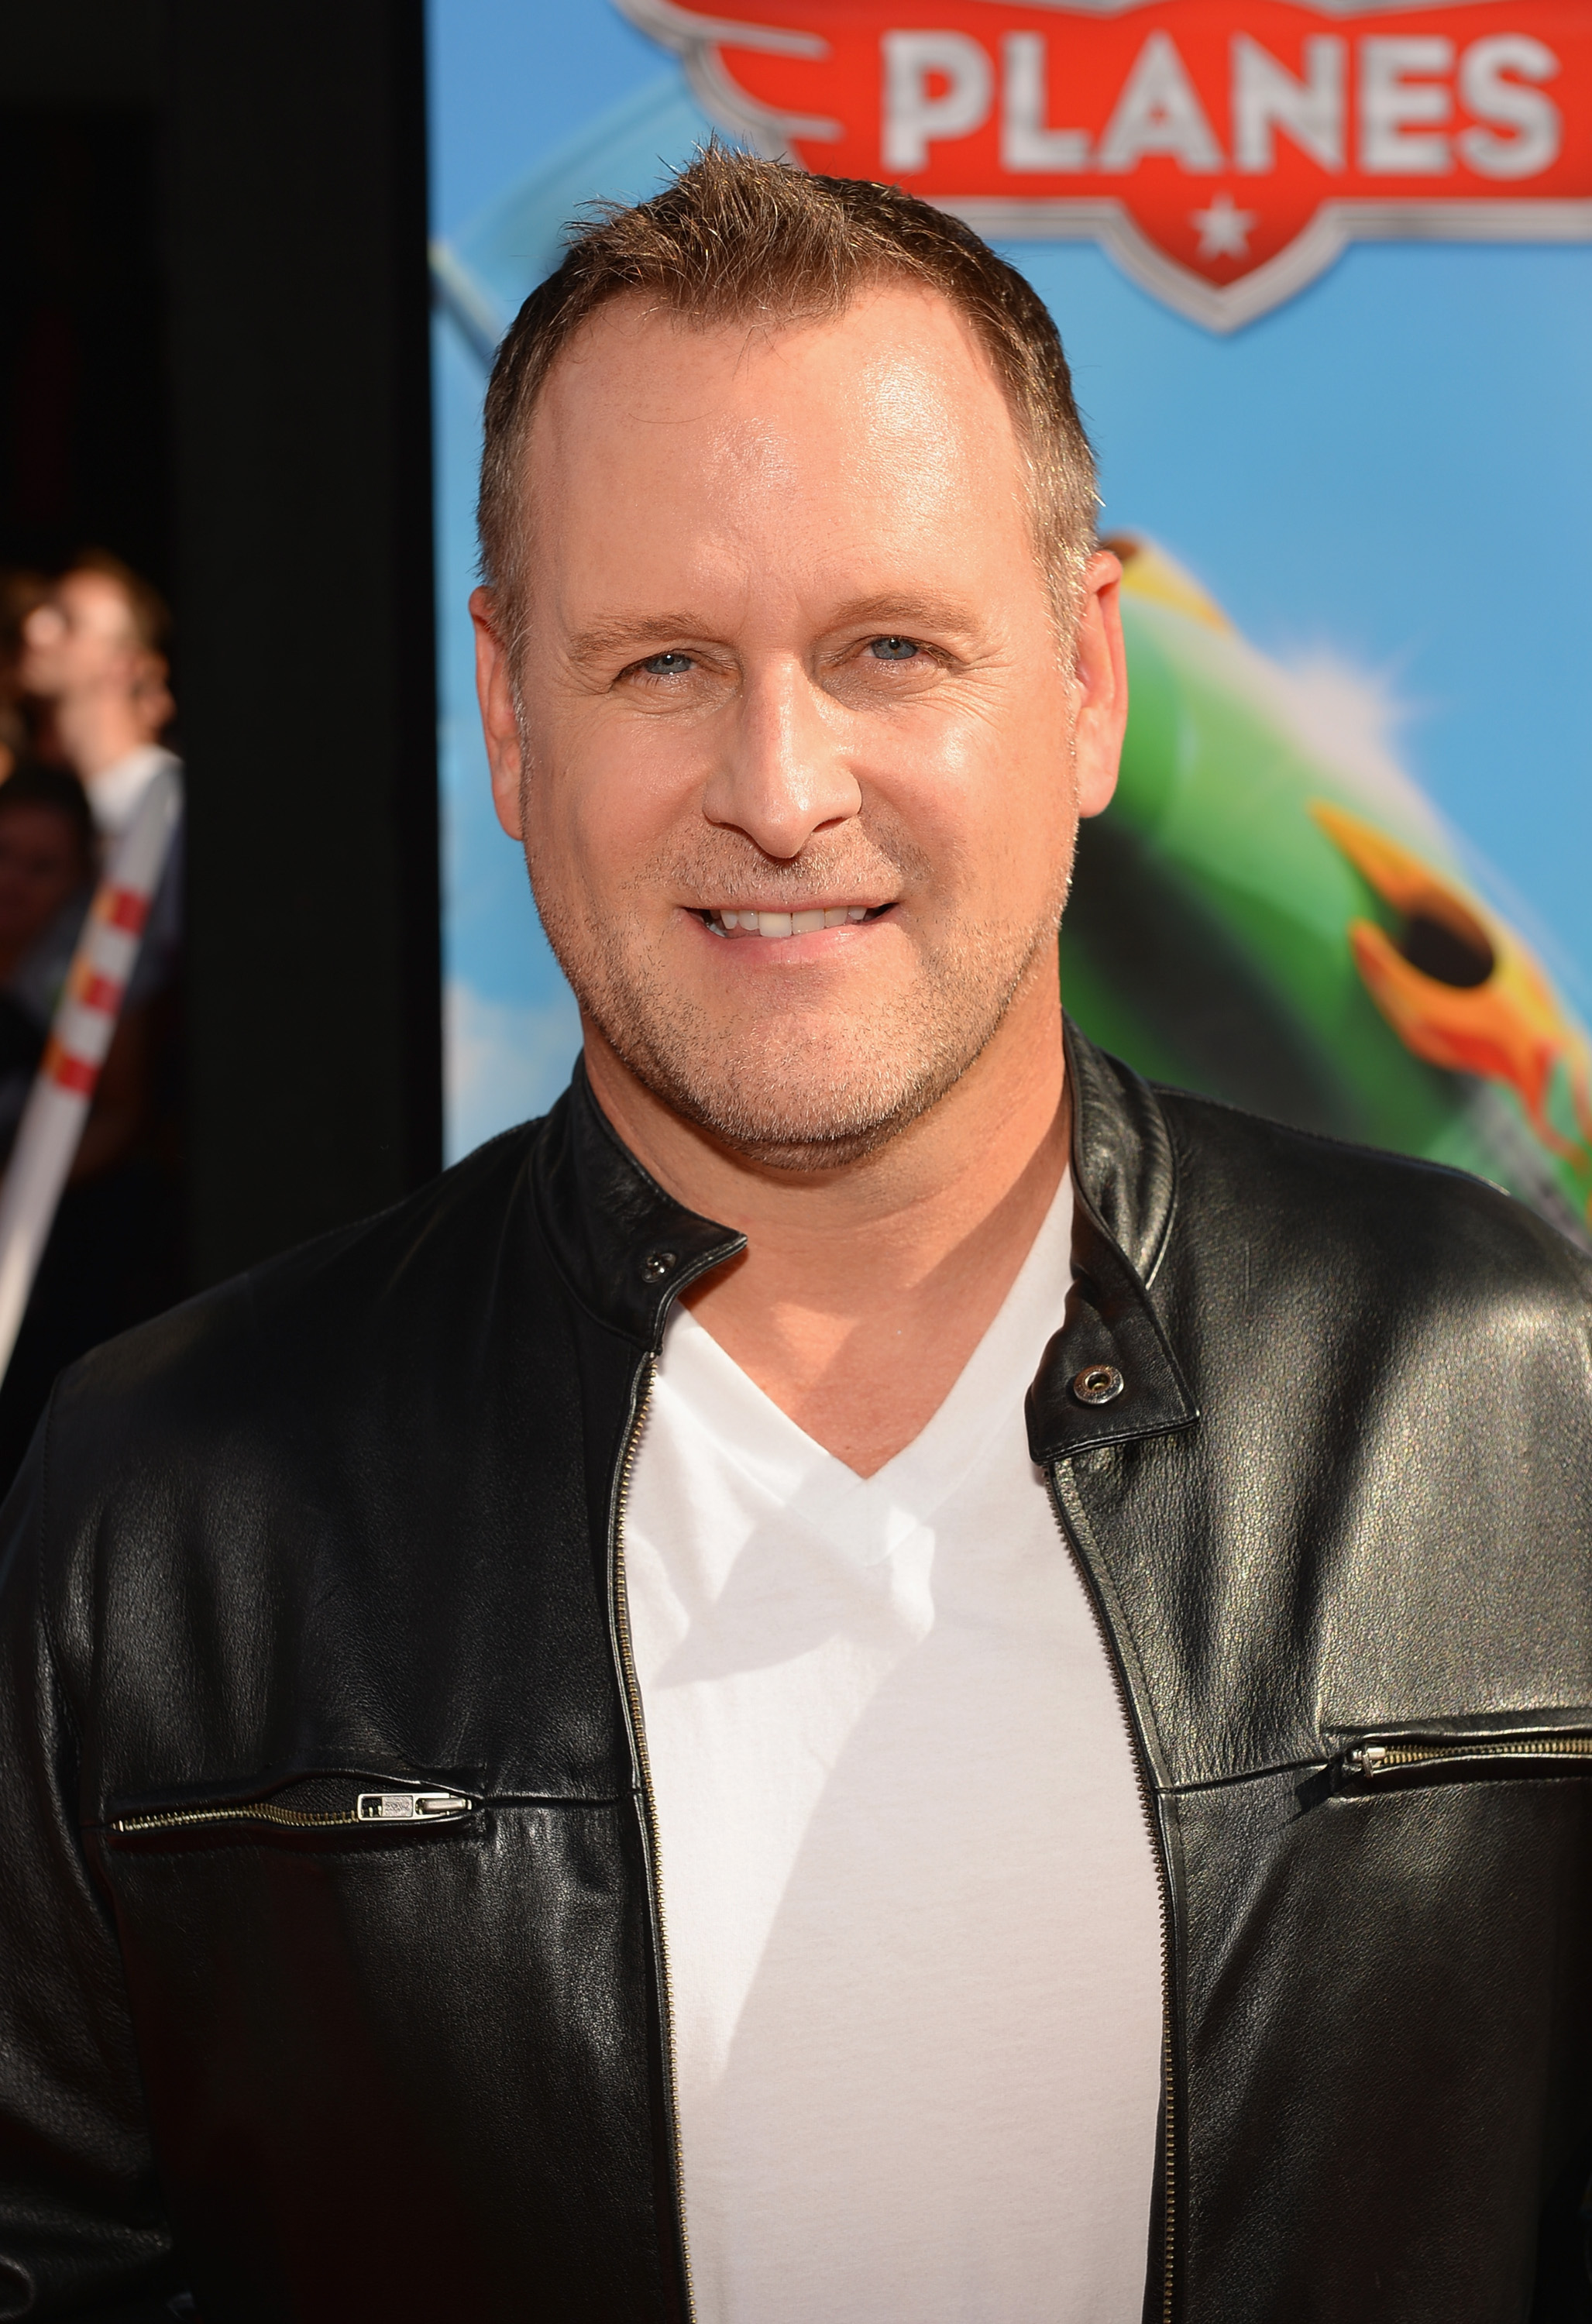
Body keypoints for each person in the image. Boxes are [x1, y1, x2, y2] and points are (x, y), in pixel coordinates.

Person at [0, 150, 1588, 2324]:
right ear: (508, 714)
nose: (781, 780)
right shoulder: (170, 1513)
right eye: (661, 660)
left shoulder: (1513, 1400)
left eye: (891, 647)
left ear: (1093, 683)